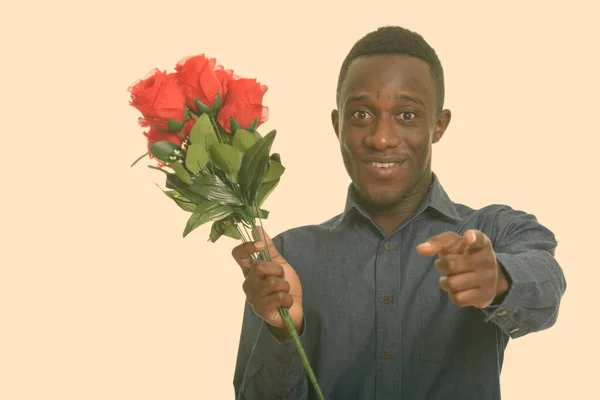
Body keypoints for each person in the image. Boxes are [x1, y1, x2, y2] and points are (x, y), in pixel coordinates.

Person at [231, 26, 567, 399]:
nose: (382, 138)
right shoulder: (288, 256)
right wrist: (284, 331)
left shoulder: (493, 230)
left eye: (406, 115)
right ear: (337, 124)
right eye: (361, 114)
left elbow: (547, 286)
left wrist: (499, 279)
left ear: (438, 125)